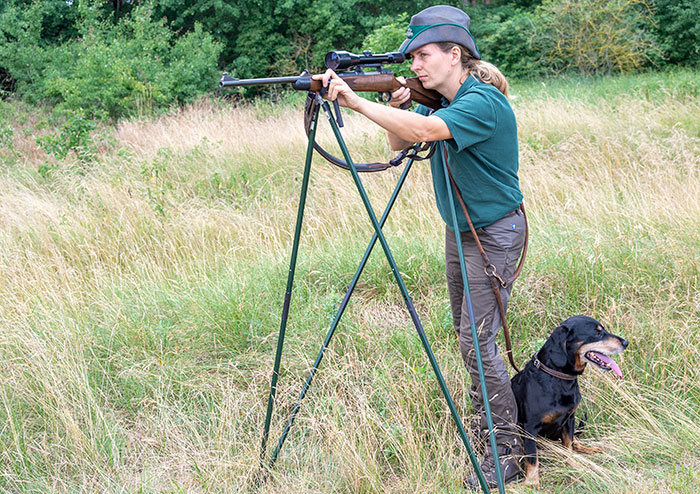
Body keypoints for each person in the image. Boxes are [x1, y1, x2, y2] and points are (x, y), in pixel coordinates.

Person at [314, 4, 526, 488]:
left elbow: (428, 134)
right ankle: (487, 432)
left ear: (455, 55)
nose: (415, 65)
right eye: (411, 58)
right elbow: (398, 141)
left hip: (493, 233)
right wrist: (399, 103)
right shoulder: (440, 102)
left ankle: (507, 451)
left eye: (423, 55)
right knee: (468, 337)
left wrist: (354, 101)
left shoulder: (482, 101)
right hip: (462, 231)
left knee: (477, 342)